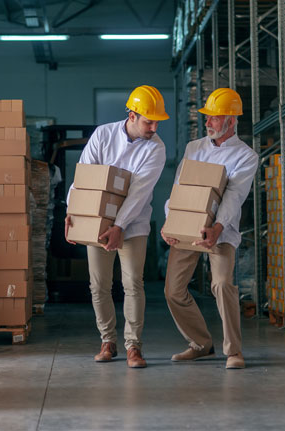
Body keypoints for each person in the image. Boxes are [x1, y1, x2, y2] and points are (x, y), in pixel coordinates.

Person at [64, 85, 168, 369]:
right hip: (96, 223)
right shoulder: (103, 135)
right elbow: (84, 176)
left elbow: (139, 193)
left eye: (157, 121)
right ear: (132, 115)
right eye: (149, 121)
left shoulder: (156, 148)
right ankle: (107, 341)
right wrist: (73, 211)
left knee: (133, 282)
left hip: (133, 225)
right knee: (98, 284)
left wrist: (120, 225)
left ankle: (134, 346)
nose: (154, 127)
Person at [161, 87, 257, 369]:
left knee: (222, 283)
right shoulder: (195, 148)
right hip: (187, 227)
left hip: (221, 232)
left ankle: (233, 351)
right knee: (173, 291)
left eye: (214, 118)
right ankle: (201, 344)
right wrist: (170, 219)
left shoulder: (245, 156)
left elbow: (233, 196)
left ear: (231, 120)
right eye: (208, 117)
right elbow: (180, 188)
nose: (208, 122)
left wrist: (216, 227)